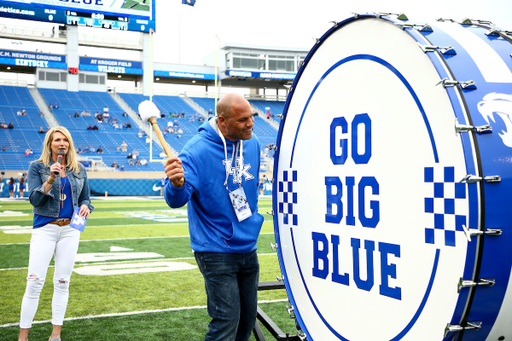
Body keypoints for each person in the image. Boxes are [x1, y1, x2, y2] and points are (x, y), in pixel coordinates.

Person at [164, 94, 263, 341]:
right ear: (222, 121)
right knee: (225, 321)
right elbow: (176, 200)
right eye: (243, 119)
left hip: (248, 246)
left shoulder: (253, 143)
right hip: (215, 249)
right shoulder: (195, 151)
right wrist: (176, 184)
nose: (251, 123)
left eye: (252, 116)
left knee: (247, 320)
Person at [19, 126, 93, 341]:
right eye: (57, 140)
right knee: (34, 281)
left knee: (62, 282)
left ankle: (55, 335)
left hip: (71, 229)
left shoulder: (79, 169)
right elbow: (34, 200)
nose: (62, 144)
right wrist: (50, 179)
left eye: (65, 140)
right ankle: (23, 337)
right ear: (49, 144)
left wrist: (86, 206)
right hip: (45, 228)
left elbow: (86, 197)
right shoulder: (37, 167)